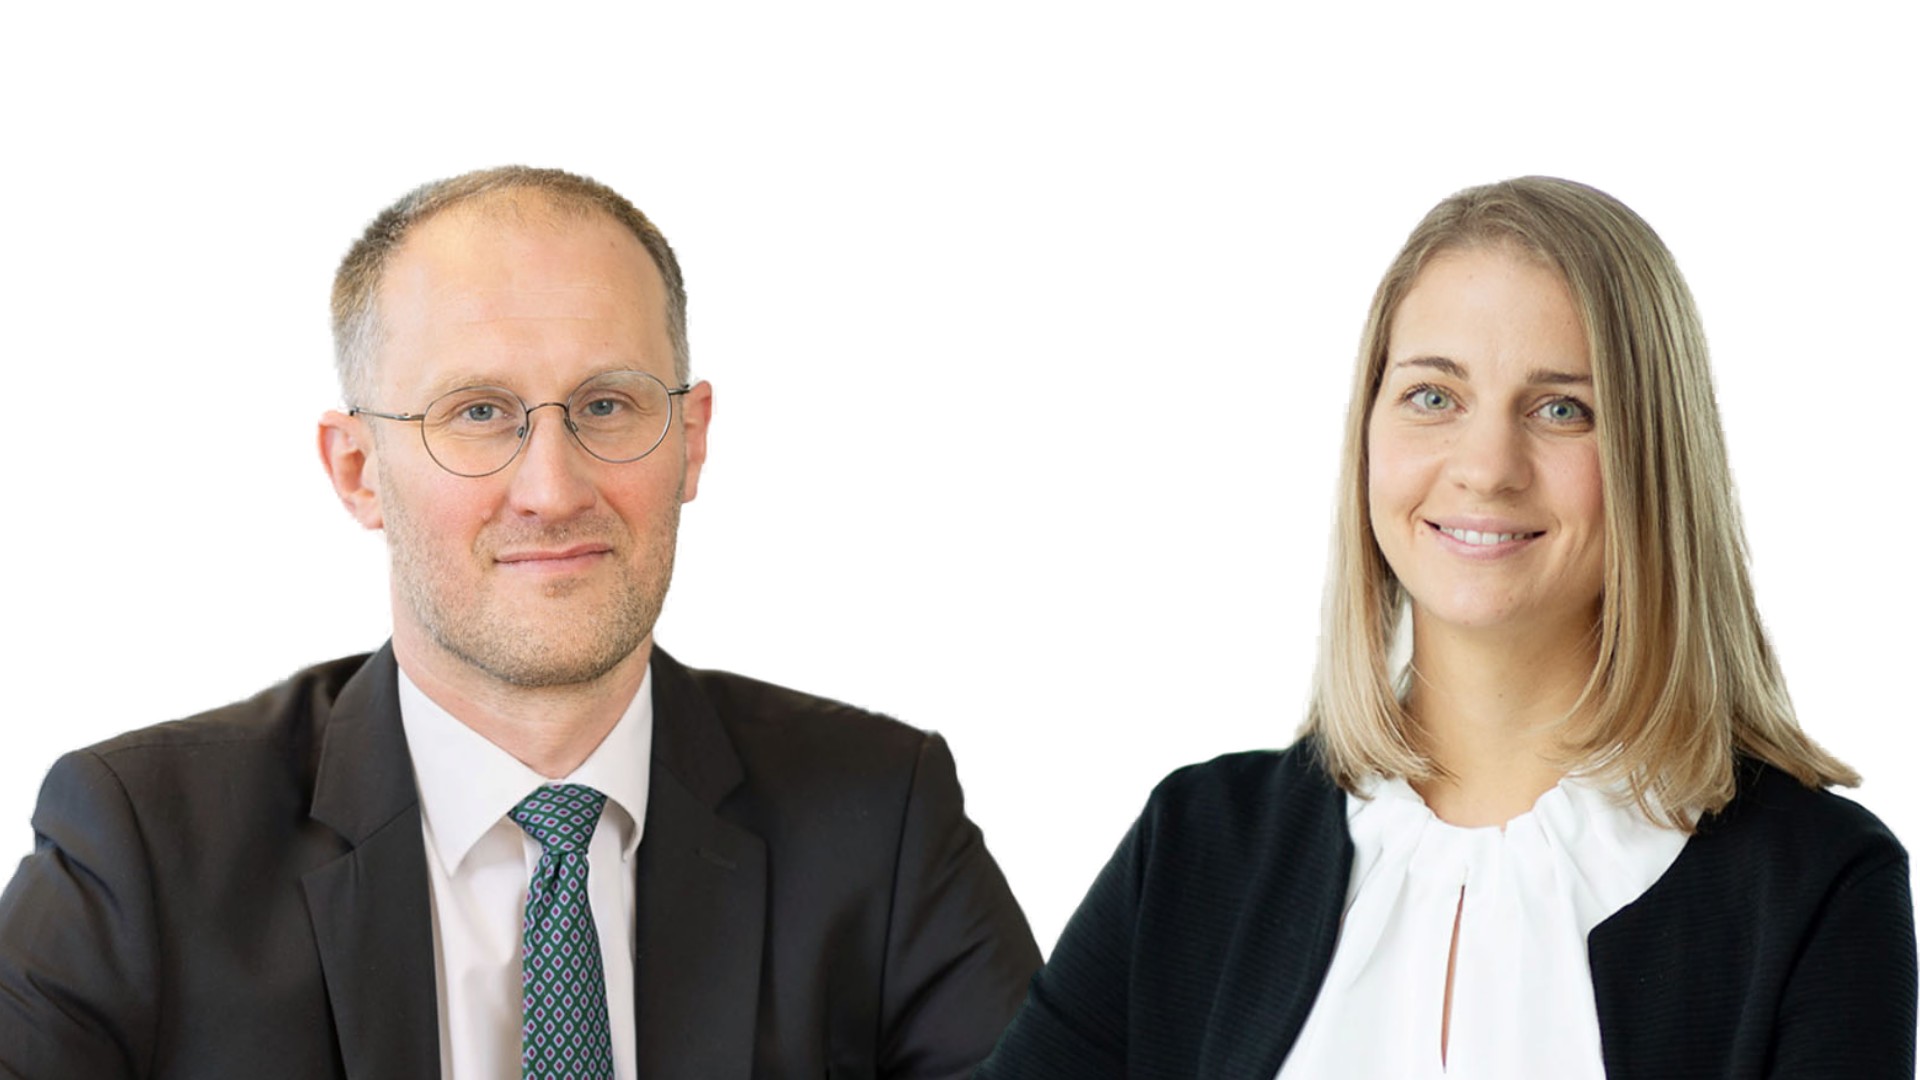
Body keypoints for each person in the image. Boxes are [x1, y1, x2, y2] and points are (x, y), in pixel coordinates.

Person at [0, 166, 1040, 1079]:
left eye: (607, 405)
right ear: (357, 470)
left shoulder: (881, 821)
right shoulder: (143, 845)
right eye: (478, 412)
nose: (551, 489)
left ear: (690, 439)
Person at [976, 177, 1916, 1077]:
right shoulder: (1197, 846)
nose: (1487, 465)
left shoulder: (1820, 886)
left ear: (1655, 458)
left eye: (1562, 409)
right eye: (1434, 396)